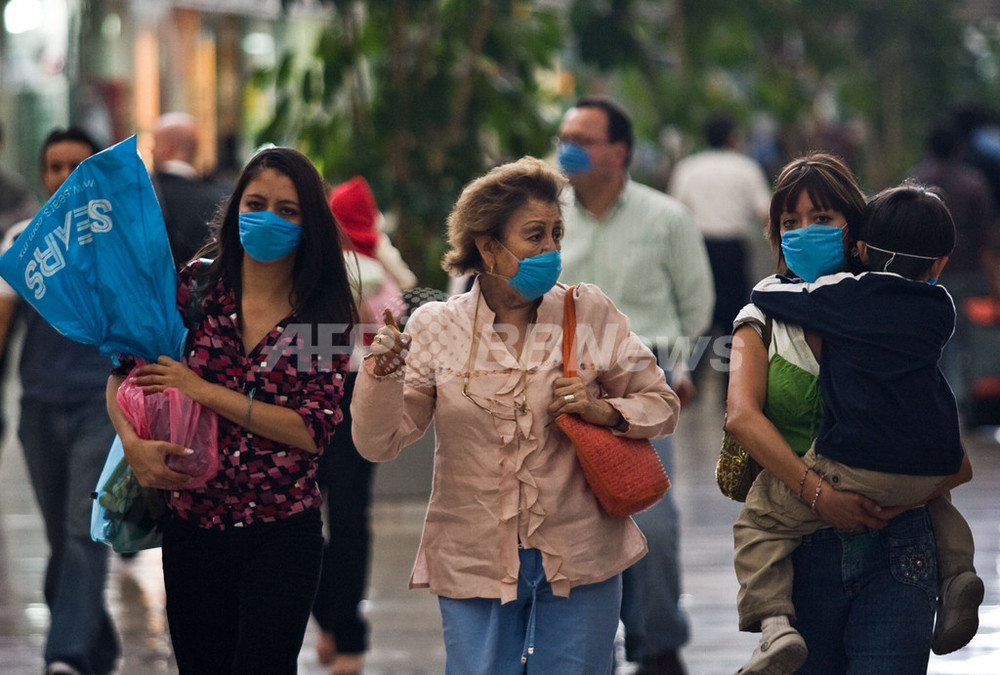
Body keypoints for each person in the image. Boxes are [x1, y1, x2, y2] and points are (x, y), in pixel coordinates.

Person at [350, 156, 680, 673]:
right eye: (534, 236)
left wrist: (602, 409)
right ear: (488, 246)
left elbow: (661, 403)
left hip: (581, 550)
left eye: (555, 234)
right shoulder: (436, 326)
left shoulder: (586, 311)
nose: (550, 250)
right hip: (473, 552)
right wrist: (381, 374)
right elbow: (380, 442)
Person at [105, 146, 357, 673]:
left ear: (309, 221)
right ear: (235, 207)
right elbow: (124, 371)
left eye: (287, 210)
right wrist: (134, 445)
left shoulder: (320, 310)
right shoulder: (197, 287)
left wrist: (201, 389)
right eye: (255, 203)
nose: (268, 218)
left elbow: (311, 430)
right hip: (192, 527)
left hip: (282, 531)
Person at [725, 154, 973, 674]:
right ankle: (959, 574)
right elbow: (741, 418)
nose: (803, 233)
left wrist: (882, 498)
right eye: (789, 223)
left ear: (855, 231)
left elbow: (950, 449)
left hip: (899, 545)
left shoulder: (879, 308)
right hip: (808, 552)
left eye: (821, 219)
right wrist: (822, 495)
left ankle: (770, 624)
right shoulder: (762, 320)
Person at [556, 96, 714, 674]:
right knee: (564, 521)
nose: (567, 146)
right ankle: (579, 650)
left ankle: (658, 644)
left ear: (619, 151)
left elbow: (696, 303)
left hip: (643, 385)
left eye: (583, 137)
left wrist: (684, 368)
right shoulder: (547, 217)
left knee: (652, 524)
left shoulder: (665, 217)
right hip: (561, 386)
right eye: (564, 135)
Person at [0, 127, 119, 675]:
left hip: (103, 406)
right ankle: (98, 645)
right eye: (54, 166)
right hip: (40, 408)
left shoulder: (119, 238)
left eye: (77, 165)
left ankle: (65, 655)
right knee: (61, 537)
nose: (65, 176)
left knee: (79, 531)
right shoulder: (23, 239)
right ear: (43, 173)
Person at [312, 175, 407, 675]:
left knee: (348, 518)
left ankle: (346, 631)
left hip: (357, 392)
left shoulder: (377, 269)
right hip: (301, 392)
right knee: (300, 518)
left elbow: (394, 328)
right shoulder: (302, 263)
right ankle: (327, 615)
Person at [911, 117, 999, 409]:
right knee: (973, 340)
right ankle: (971, 405)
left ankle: (943, 403)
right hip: (971, 275)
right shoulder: (974, 184)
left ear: (928, 148)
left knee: (939, 341)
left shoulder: (916, 183)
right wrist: (993, 279)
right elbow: (986, 239)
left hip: (930, 275)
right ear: (960, 149)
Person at [668, 114, 771, 359]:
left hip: (700, 250)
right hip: (734, 251)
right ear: (731, 138)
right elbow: (765, 213)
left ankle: (689, 384)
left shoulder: (688, 168)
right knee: (736, 321)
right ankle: (733, 384)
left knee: (699, 317)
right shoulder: (746, 168)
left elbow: (675, 213)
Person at [151, 112, 230, 268]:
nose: (151, 150)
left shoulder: (145, 195)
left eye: (154, 142)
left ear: (170, 145)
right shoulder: (221, 200)